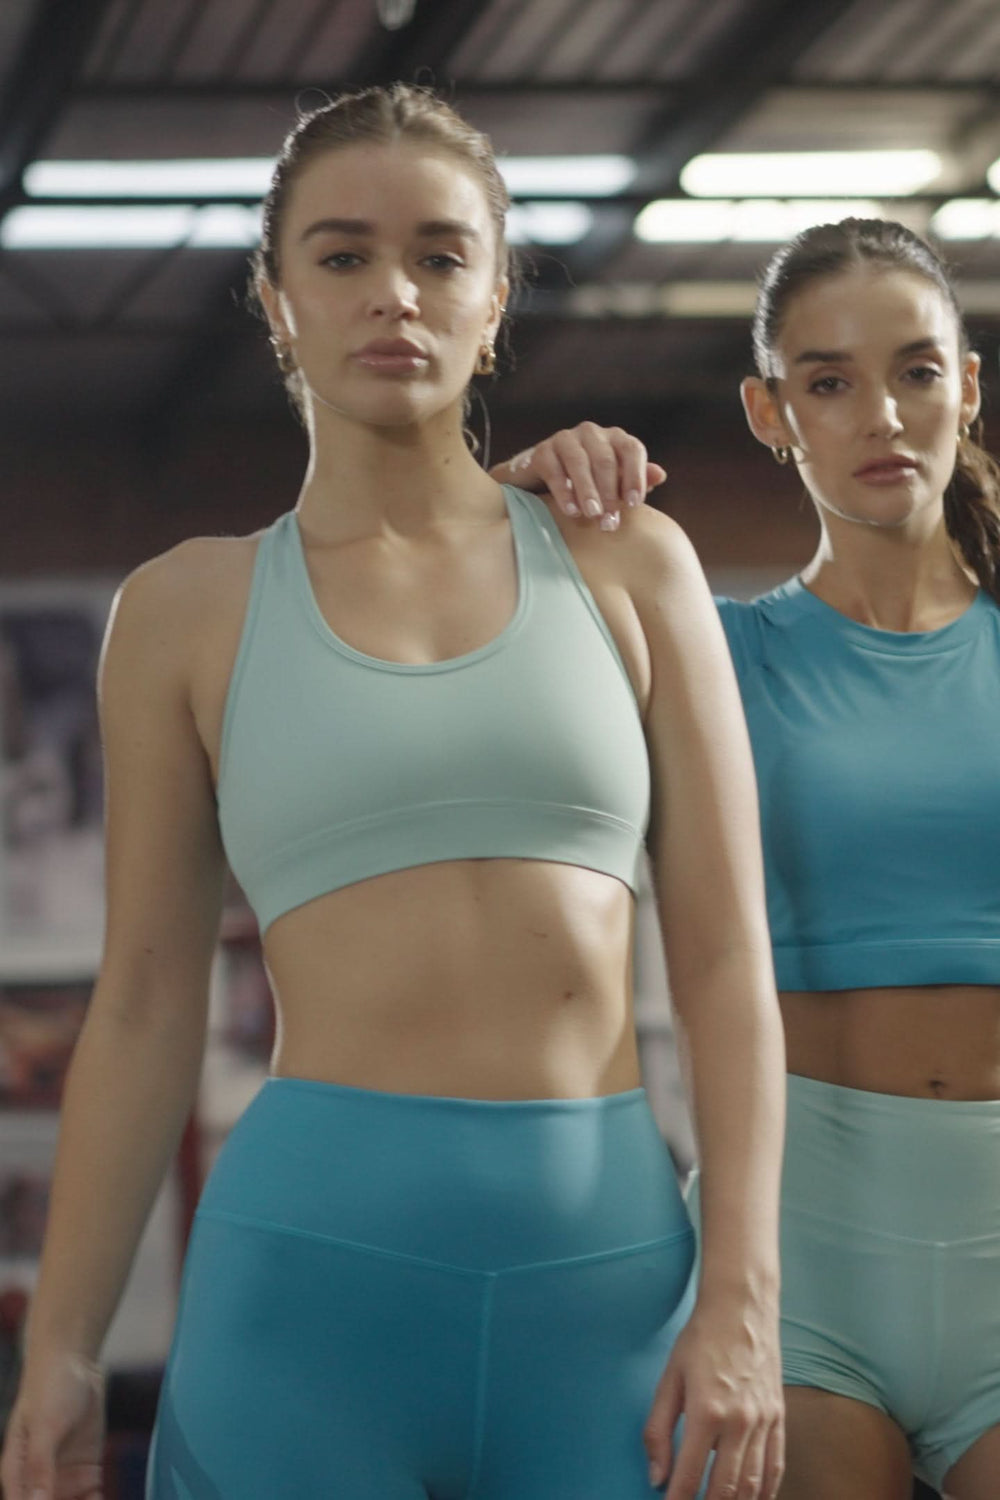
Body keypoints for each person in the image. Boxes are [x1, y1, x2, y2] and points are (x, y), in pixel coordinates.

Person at [0, 85, 786, 1500]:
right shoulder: (183, 610)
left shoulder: (630, 564)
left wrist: (744, 1295)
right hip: (305, 1300)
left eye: (439, 255)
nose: (394, 296)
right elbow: (144, 1003)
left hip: (607, 1299)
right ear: (276, 298)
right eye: (343, 254)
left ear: (496, 298)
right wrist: (62, 1351)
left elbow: (729, 960)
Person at [509, 217, 1000, 1500]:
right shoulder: (714, 654)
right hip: (804, 1247)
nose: (881, 413)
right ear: (769, 412)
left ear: (968, 383)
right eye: (828, 382)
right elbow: (451, 609)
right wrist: (519, 485)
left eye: (915, 370)